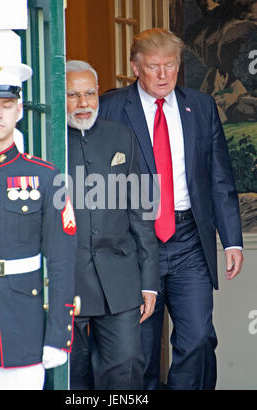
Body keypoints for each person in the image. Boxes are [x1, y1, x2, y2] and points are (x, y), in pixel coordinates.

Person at [99, 28, 244, 390]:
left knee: (197, 339)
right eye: (153, 67)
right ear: (135, 67)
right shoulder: (111, 107)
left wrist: (232, 240)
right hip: (133, 243)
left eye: (170, 65)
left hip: (188, 239)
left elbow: (219, 179)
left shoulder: (201, 106)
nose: (163, 75)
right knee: (138, 349)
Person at [0, 63, 77, 390]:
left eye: (6, 105)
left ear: (19, 110)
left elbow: (62, 263)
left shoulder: (49, 178)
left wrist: (58, 335)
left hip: (23, 327)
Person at [66, 60, 160, 390]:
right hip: (67, 280)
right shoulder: (45, 142)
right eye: (73, 95)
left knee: (126, 367)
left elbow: (141, 213)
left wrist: (149, 281)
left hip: (119, 279)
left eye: (90, 93)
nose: (83, 104)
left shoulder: (122, 136)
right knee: (70, 376)